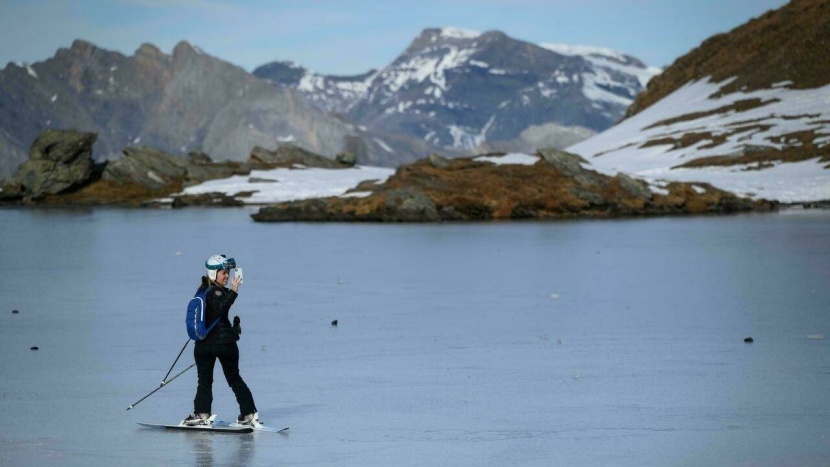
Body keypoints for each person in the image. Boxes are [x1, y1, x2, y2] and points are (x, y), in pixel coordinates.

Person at [183, 254, 259, 427]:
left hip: (204, 345)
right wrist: (233, 290)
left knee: (205, 381)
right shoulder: (216, 292)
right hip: (223, 345)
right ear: (213, 273)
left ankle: (202, 414)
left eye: (227, 272)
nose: (227, 276)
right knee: (233, 378)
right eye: (223, 272)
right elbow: (220, 308)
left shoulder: (203, 291)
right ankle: (248, 414)